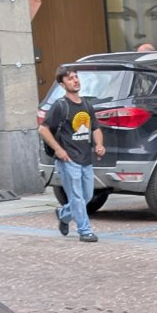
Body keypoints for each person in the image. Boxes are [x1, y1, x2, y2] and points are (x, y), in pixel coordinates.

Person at [39, 68, 104, 243]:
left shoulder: (86, 105)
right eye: (70, 78)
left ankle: (64, 214)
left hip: (85, 159)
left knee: (87, 196)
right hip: (68, 160)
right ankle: (85, 231)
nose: (75, 80)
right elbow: (43, 129)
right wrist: (59, 150)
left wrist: (99, 144)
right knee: (77, 197)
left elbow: (95, 127)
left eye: (76, 77)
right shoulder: (60, 106)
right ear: (62, 84)